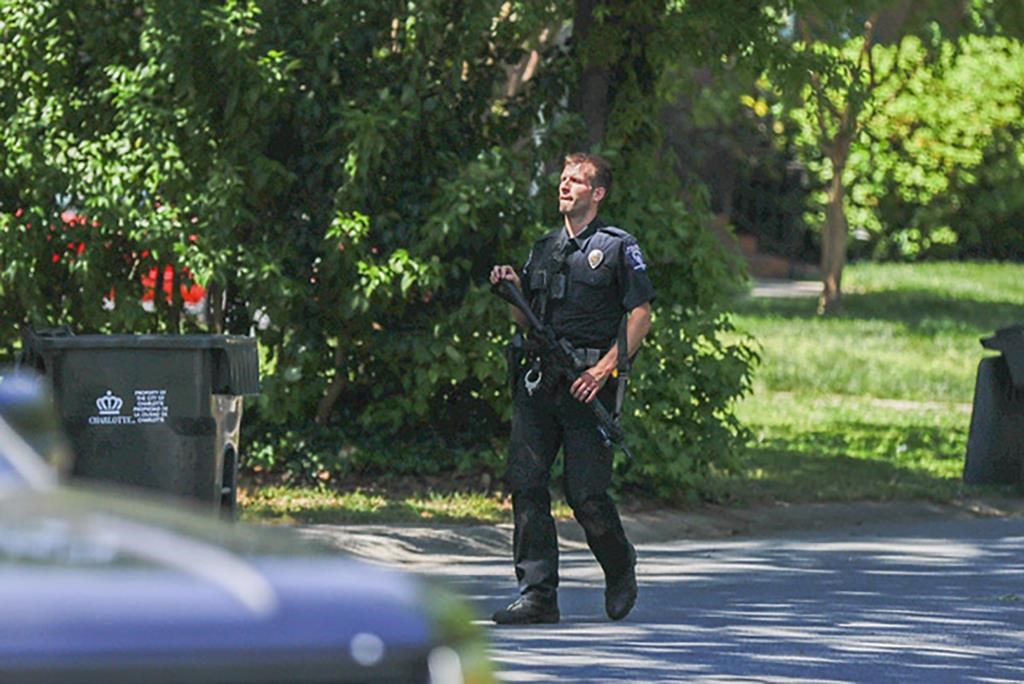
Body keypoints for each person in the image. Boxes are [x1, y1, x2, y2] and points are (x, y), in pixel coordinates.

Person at [488, 152, 655, 624]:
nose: (565, 187)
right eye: (563, 179)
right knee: (526, 485)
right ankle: (538, 595)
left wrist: (603, 371)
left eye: (577, 181)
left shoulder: (618, 247)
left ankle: (620, 565)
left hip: (589, 387)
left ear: (597, 193)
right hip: (540, 386)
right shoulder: (544, 248)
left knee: (586, 496)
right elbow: (526, 319)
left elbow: (639, 317)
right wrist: (513, 286)